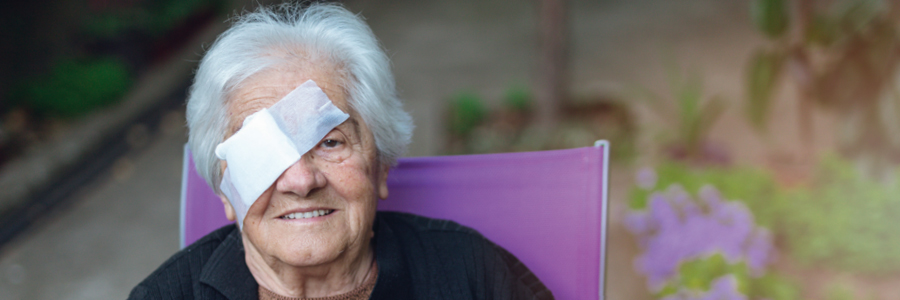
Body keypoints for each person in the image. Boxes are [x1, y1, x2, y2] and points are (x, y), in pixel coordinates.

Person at [129, 3, 552, 300]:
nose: (300, 180)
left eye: (330, 142)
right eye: (262, 153)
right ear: (225, 191)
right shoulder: (162, 296)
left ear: (381, 166)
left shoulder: (469, 273)